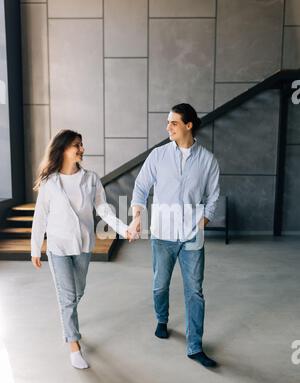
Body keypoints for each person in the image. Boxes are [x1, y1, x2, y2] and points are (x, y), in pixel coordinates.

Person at [31, 129, 136, 369]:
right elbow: (40, 217)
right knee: (68, 298)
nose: (81, 149)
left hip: (83, 245)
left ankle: (69, 324)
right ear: (63, 149)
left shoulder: (90, 179)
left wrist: (124, 229)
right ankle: (73, 344)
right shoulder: (50, 182)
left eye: (81, 144)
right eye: (76, 145)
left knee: (77, 292)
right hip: (57, 247)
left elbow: (104, 210)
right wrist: (35, 248)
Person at [130, 103, 220, 368]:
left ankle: (195, 347)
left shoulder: (208, 161)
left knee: (195, 291)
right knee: (160, 285)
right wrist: (137, 217)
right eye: (168, 122)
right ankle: (162, 319)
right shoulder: (158, 156)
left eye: (173, 123)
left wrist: (202, 221)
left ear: (188, 125)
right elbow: (140, 187)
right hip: (162, 234)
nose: (167, 127)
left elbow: (213, 196)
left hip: (192, 235)